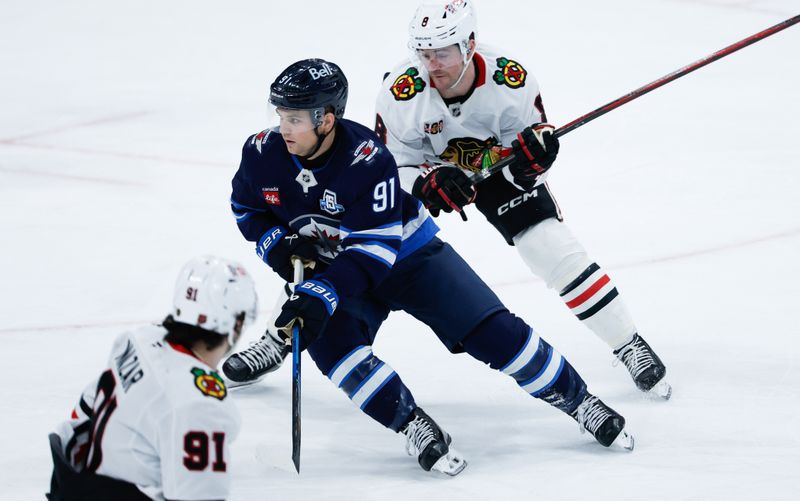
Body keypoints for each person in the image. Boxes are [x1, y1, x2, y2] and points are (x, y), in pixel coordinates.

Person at [223, 58, 634, 476]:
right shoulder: (261, 152)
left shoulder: (366, 159)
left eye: (294, 119)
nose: (284, 128)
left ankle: (580, 402)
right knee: (333, 351)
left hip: (406, 258)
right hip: (332, 267)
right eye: (281, 116)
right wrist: (276, 245)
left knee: (493, 332)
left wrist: (322, 293)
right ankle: (411, 424)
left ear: (326, 120)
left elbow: (373, 253)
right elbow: (247, 208)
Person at [373, 0, 670, 399]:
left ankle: (627, 342)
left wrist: (532, 162)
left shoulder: (509, 80)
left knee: (552, 248)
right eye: (423, 53)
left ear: (469, 45)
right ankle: (284, 334)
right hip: (429, 175)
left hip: (498, 171)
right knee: (353, 245)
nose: (431, 65)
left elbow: (531, 156)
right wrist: (424, 183)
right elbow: (387, 167)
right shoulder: (399, 91)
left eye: (442, 53)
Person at [47, 256, 257, 501]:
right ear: (237, 324)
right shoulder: (200, 405)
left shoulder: (139, 339)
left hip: (78, 483)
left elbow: (85, 409)